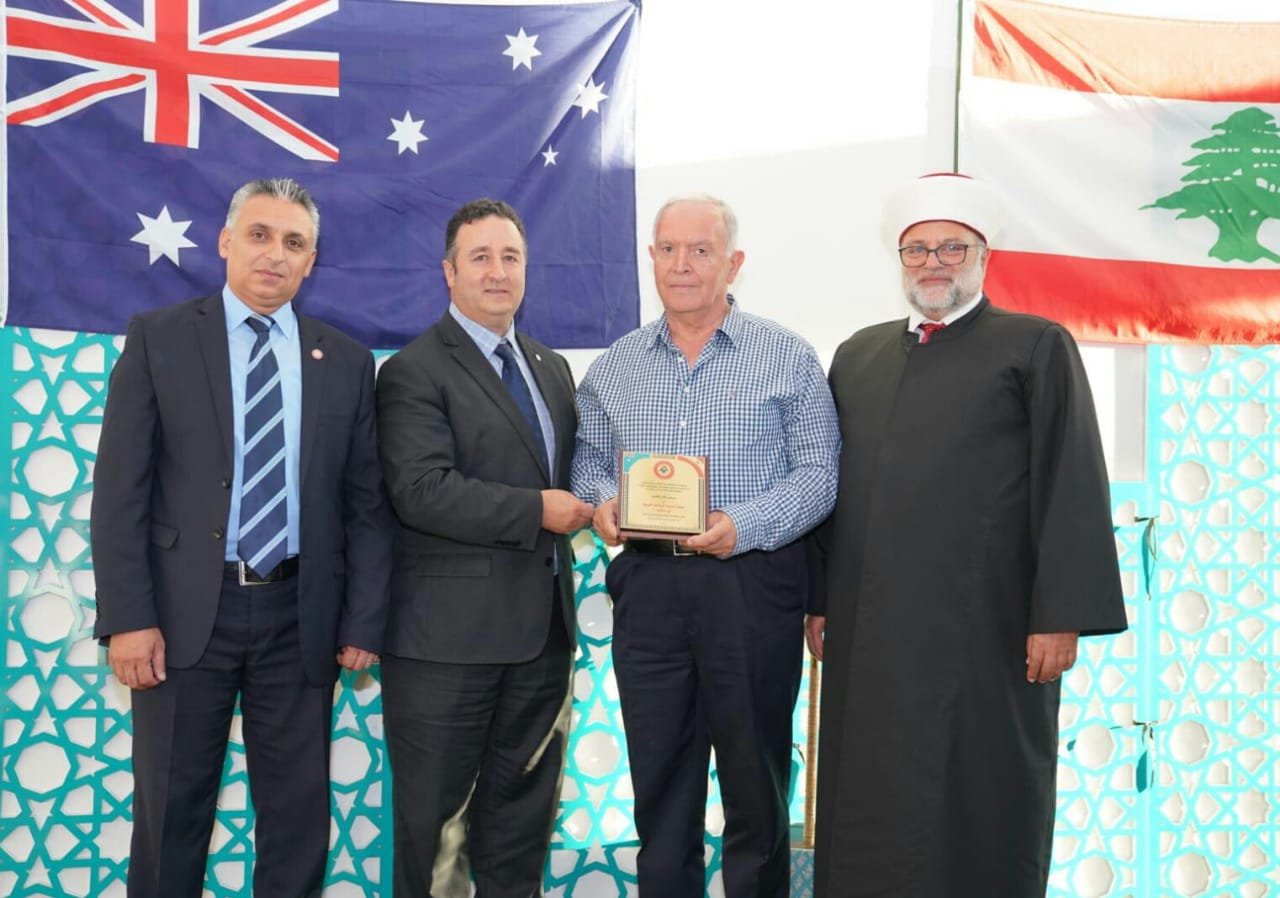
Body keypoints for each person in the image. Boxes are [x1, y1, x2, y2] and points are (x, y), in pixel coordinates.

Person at [805, 172, 1129, 898]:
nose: (933, 263)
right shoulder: (857, 354)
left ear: (984, 256)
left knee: (982, 799)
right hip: (872, 634)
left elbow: (1072, 481)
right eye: (917, 250)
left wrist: (1060, 615)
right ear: (899, 259)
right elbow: (833, 487)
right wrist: (820, 598)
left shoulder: (1035, 346)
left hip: (990, 631)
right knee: (870, 802)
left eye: (952, 248)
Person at [90, 177, 393, 898]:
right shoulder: (159, 338)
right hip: (182, 618)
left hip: (301, 618)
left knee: (295, 822)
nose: (274, 255)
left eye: (294, 242)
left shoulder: (346, 361)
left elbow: (365, 507)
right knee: (171, 816)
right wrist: (128, 618)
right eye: (259, 235)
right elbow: (120, 492)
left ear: (311, 261)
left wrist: (363, 620)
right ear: (226, 242)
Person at [572, 195, 840, 897]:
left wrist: (743, 525)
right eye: (668, 249)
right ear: (651, 258)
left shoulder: (787, 357)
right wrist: (602, 505)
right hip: (650, 590)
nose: (682, 264)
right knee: (660, 782)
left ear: (734, 263)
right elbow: (589, 463)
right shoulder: (615, 366)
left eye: (700, 250)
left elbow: (820, 475)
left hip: (750, 585)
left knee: (755, 783)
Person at [376, 198, 592, 897]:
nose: (498, 272)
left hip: (543, 641)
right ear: (449, 272)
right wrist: (538, 510)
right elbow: (421, 490)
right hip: (447, 649)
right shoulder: (412, 370)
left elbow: (573, 477)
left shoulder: (551, 368)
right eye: (481, 257)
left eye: (511, 257)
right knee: (435, 836)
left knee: (521, 832)